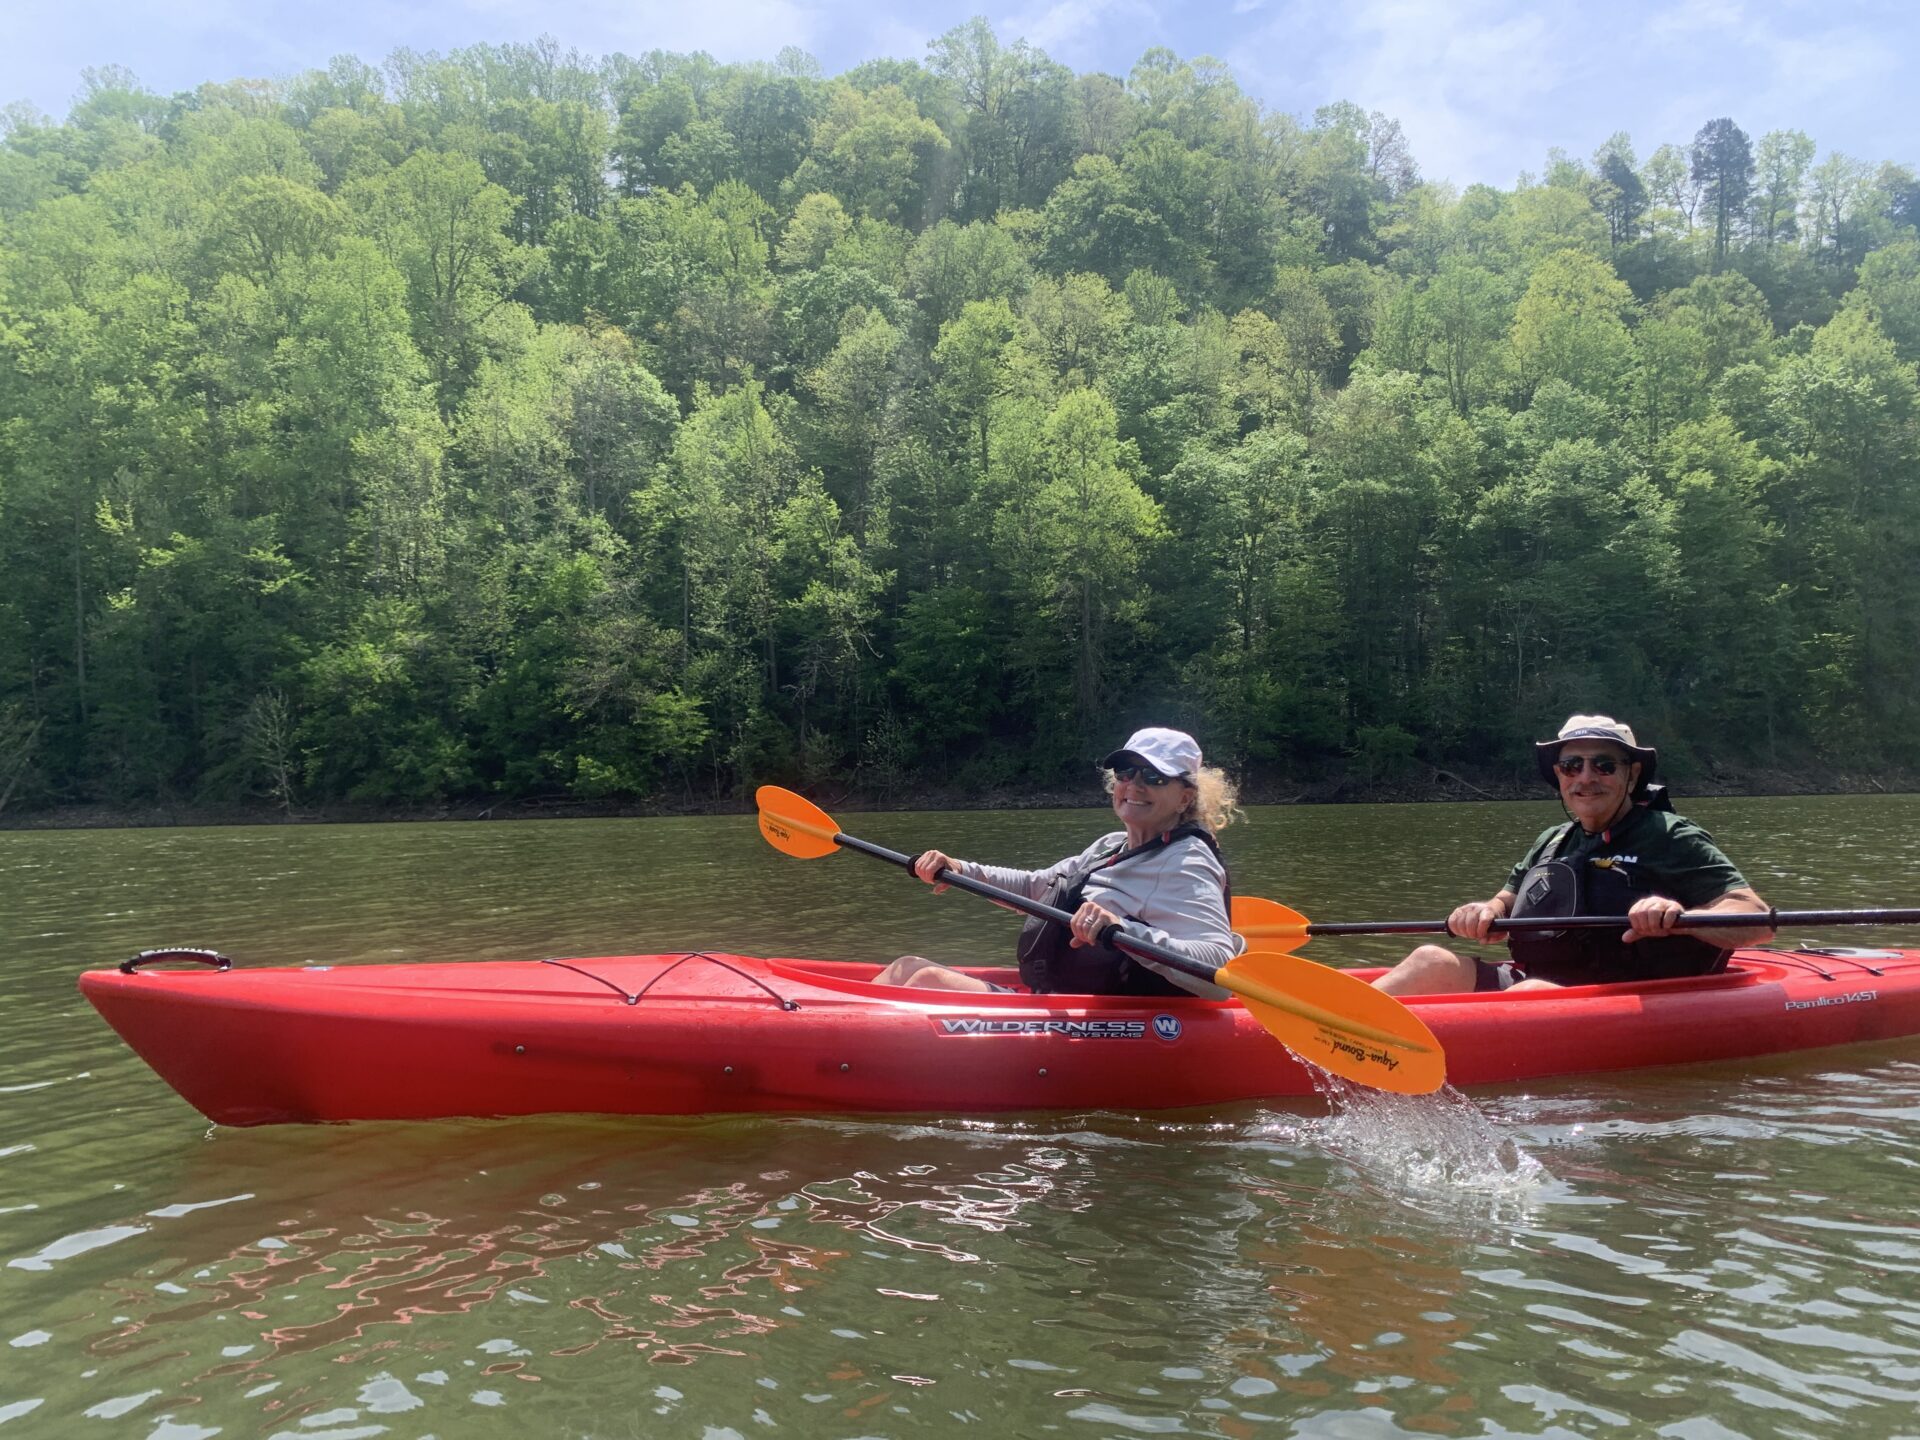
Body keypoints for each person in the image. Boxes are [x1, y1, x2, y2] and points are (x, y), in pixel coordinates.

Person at [1374, 714, 1774, 995]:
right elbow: (1505, 901)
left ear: (1632, 774)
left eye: (1604, 765)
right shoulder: (1553, 840)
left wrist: (1681, 918)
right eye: (1571, 765)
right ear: (1559, 775)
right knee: (1431, 959)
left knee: (1530, 993)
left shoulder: (1670, 835)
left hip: (1624, 996)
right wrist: (1483, 911)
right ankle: (1338, 1047)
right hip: (1537, 984)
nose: (1585, 777)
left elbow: (1755, 917)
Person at [871, 727, 1243, 997]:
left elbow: (1218, 970)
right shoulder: (1110, 847)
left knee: (926, 982)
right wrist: (960, 870)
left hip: (1114, 1023)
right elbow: (1036, 887)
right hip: (1062, 1003)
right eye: (1125, 773)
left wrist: (1123, 930)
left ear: (1184, 797)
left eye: (1154, 777)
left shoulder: (1186, 862)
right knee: (907, 967)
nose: (1134, 785)